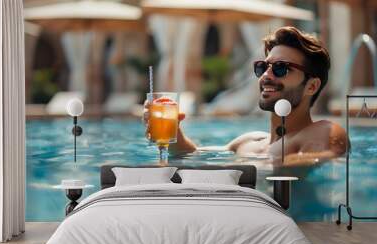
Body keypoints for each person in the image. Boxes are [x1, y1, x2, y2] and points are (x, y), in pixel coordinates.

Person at [144, 26, 347, 166]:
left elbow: (325, 157)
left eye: (281, 68)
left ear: (311, 86)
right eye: (262, 67)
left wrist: (254, 163)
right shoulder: (248, 141)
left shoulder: (324, 131)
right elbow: (191, 155)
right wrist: (173, 133)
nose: (266, 75)